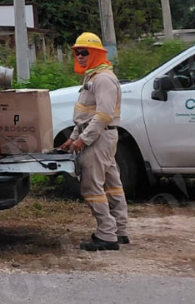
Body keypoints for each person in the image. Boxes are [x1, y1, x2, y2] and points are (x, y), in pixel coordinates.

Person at [58, 32, 129, 251]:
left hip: (98, 139)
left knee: (91, 186)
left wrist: (82, 141)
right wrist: (71, 139)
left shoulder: (103, 79)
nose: (79, 56)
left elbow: (103, 115)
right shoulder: (93, 76)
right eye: (77, 52)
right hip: (99, 137)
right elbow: (85, 116)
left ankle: (106, 235)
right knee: (112, 184)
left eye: (84, 52)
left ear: (96, 53)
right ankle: (120, 230)